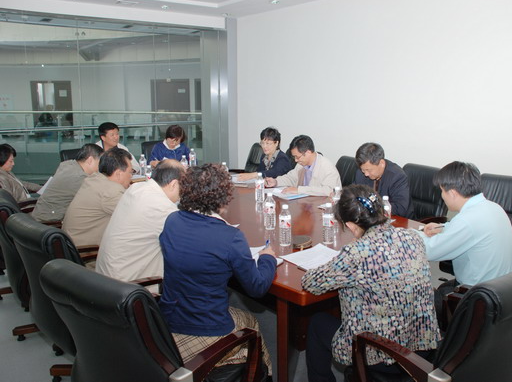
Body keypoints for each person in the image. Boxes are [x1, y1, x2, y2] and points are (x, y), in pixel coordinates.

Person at [301, 184, 439, 382]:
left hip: (381, 353)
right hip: (420, 346)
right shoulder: (412, 237)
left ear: (350, 225)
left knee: (317, 323)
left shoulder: (357, 253)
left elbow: (311, 282)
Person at [159, 164, 276, 375]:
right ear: (223, 198)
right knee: (252, 321)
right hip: (208, 328)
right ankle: (260, 374)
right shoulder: (230, 237)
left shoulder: (172, 221)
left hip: (168, 320)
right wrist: (268, 258)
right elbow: (257, 287)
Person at [419, 161, 512, 314]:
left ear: (452, 193)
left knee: (419, 299)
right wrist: (442, 228)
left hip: (480, 299)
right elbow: (469, 230)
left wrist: (410, 236)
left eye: (442, 191)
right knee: (442, 288)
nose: (442, 196)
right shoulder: (493, 207)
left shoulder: (467, 221)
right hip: (505, 289)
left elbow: (429, 251)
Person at [96, 159, 185, 286]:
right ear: (173, 184)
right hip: (129, 287)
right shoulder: (161, 207)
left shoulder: (136, 188)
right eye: (184, 185)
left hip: (106, 279)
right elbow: (187, 243)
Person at [62, 147, 133, 247]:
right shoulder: (111, 191)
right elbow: (136, 217)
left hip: (70, 244)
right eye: (130, 172)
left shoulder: (95, 179)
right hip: (86, 251)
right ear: (118, 174)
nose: (131, 176)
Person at [32, 144, 103, 223]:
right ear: (90, 160)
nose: (102, 166)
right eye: (100, 162)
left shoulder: (67, 164)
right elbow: (98, 198)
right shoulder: (79, 178)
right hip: (49, 220)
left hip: (40, 212)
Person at [264, 135, 341, 196]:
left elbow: (329, 190)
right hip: (304, 203)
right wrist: (276, 182)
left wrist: (299, 190)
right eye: (294, 157)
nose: (295, 160)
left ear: (308, 153)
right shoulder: (301, 164)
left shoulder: (327, 167)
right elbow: (291, 178)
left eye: (297, 157)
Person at [354, 142, 414, 218]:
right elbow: (354, 194)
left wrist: (371, 207)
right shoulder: (360, 173)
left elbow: (400, 208)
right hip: (370, 218)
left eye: (369, 170)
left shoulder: (397, 176)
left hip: (398, 220)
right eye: (363, 170)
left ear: (381, 163)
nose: (366, 174)